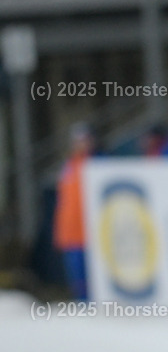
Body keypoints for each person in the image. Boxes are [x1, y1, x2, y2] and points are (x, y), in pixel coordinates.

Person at [52, 122, 93, 301]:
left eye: (83, 140)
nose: (80, 144)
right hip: (70, 231)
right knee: (75, 275)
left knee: (90, 275)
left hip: (90, 231)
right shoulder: (68, 166)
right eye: (77, 140)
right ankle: (81, 302)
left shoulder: (96, 164)